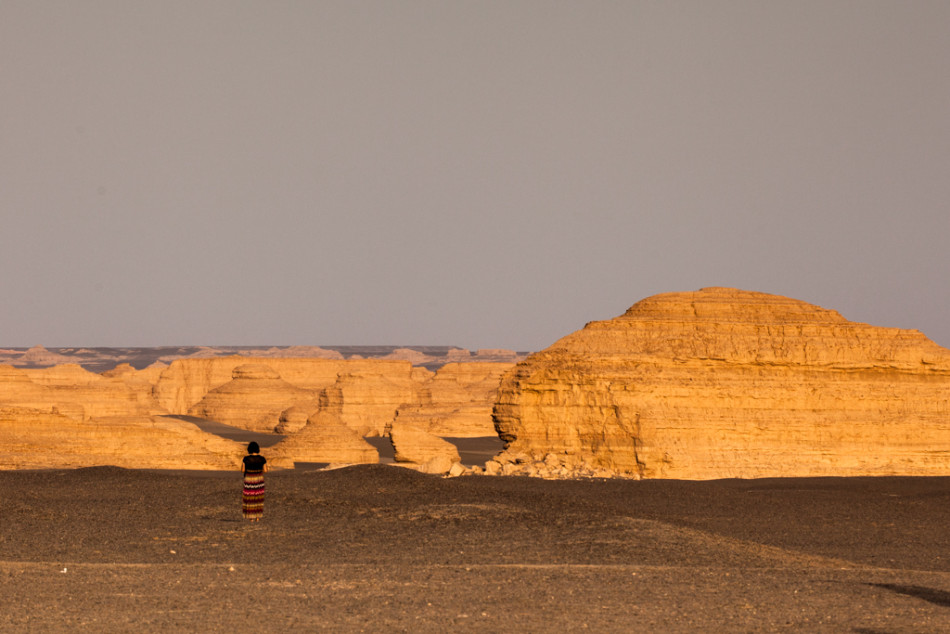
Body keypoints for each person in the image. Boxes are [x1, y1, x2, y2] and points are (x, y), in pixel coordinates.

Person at [241, 441, 267, 521]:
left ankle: (251, 517)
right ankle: (258, 516)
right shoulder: (262, 459)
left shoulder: (246, 459)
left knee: (250, 497)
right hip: (259, 478)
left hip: (249, 478)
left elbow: (242, 470)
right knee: (258, 497)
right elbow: (265, 470)